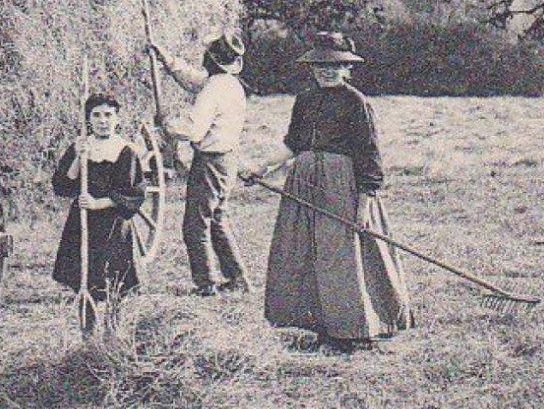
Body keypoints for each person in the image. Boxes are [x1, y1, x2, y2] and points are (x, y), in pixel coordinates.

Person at [247, 32, 414, 349]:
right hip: (304, 183)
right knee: (304, 253)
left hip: (341, 187)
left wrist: (363, 205)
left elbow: (369, 157)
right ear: (312, 67)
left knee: (339, 255)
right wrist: (262, 167)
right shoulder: (305, 100)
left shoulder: (356, 103)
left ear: (347, 68)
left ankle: (354, 329)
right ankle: (318, 324)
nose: (327, 70)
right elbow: (293, 144)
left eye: (335, 65)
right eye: (321, 64)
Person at [150, 32, 251, 297]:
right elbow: (194, 80)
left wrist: (168, 125)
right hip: (226, 159)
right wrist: (168, 60)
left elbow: (194, 130)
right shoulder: (228, 84)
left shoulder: (214, 88)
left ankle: (206, 284)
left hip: (210, 162)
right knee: (216, 219)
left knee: (196, 225)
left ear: (210, 59)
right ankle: (238, 278)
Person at [52, 93, 146, 335]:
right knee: (84, 275)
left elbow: (133, 193)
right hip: (83, 222)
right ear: (88, 119)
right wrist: (78, 158)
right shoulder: (81, 146)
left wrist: (99, 203)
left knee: (114, 276)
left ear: (117, 119)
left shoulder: (125, 151)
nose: (103, 121)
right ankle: (88, 332)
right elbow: (63, 185)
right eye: (96, 115)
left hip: (113, 223)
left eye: (108, 115)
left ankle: (112, 330)